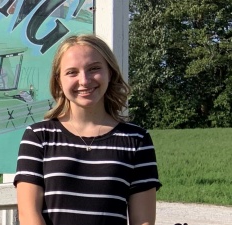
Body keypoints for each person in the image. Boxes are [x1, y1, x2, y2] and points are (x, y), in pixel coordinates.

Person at [13, 34, 161, 225]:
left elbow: (143, 221)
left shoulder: (137, 140)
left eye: (94, 69)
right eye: (72, 72)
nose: (84, 80)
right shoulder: (38, 137)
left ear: (110, 72)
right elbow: (29, 216)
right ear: (59, 81)